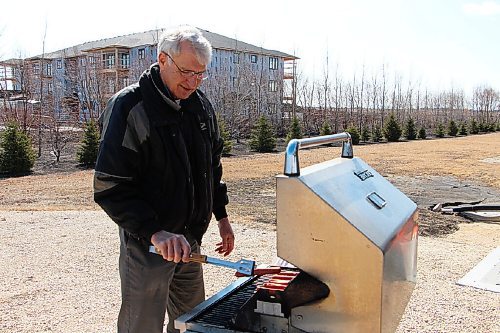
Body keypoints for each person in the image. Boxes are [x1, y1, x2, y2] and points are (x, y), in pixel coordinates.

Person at [93, 25, 235, 333]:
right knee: (142, 325)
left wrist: (221, 216)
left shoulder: (200, 107)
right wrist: (155, 232)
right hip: (150, 245)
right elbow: (110, 187)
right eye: (187, 72)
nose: (193, 82)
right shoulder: (130, 107)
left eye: (201, 74)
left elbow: (212, 166)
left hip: (189, 241)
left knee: (193, 321)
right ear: (162, 59)